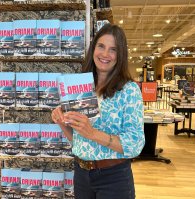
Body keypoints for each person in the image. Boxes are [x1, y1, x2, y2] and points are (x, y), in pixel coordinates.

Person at [51, 24, 145, 199]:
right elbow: (79, 140)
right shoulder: (81, 86)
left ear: (120, 55)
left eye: (113, 49)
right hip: (81, 173)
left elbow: (135, 144)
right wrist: (61, 123)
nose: (105, 54)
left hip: (114, 177)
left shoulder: (129, 90)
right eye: (101, 46)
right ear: (93, 48)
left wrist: (92, 132)